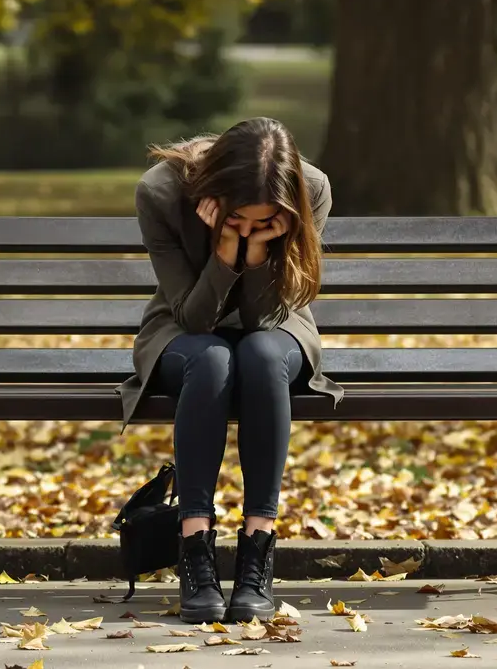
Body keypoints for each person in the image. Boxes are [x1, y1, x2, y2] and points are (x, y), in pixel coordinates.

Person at [116, 117, 343, 623]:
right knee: (214, 356)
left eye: (264, 221)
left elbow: (268, 318)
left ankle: (257, 550)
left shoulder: (312, 190)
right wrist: (225, 253)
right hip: (183, 334)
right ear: (214, 193)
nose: (248, 227)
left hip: (279, 327)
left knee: (260, 354)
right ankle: (194, 545)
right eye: (237, 217)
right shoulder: (161, 192)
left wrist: (258, 252)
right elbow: (194, 319)